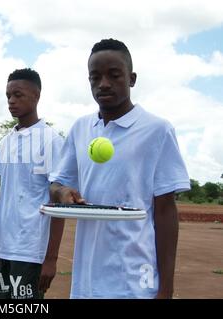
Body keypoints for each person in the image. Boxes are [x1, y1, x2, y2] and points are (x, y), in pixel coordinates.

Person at [45, 38, 191, 298]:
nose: (103, 84)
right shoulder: (80, 128)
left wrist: (166, 287)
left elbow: (166, 211)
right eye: (95, 77)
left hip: (134, 277)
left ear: (132, 78)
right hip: (86, 278)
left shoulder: (157, 130)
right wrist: (63, 193)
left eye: (114, 75)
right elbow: (56, 184)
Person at [0, 68, 64, 299]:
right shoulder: (5, 142)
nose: (11, 101)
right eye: (8, 96)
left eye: (18, 95)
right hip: (3, 245)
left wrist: (50, 259)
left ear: (37, 96)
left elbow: (58, 204)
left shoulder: (51, 141)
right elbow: (4, 191)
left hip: (31, 249)